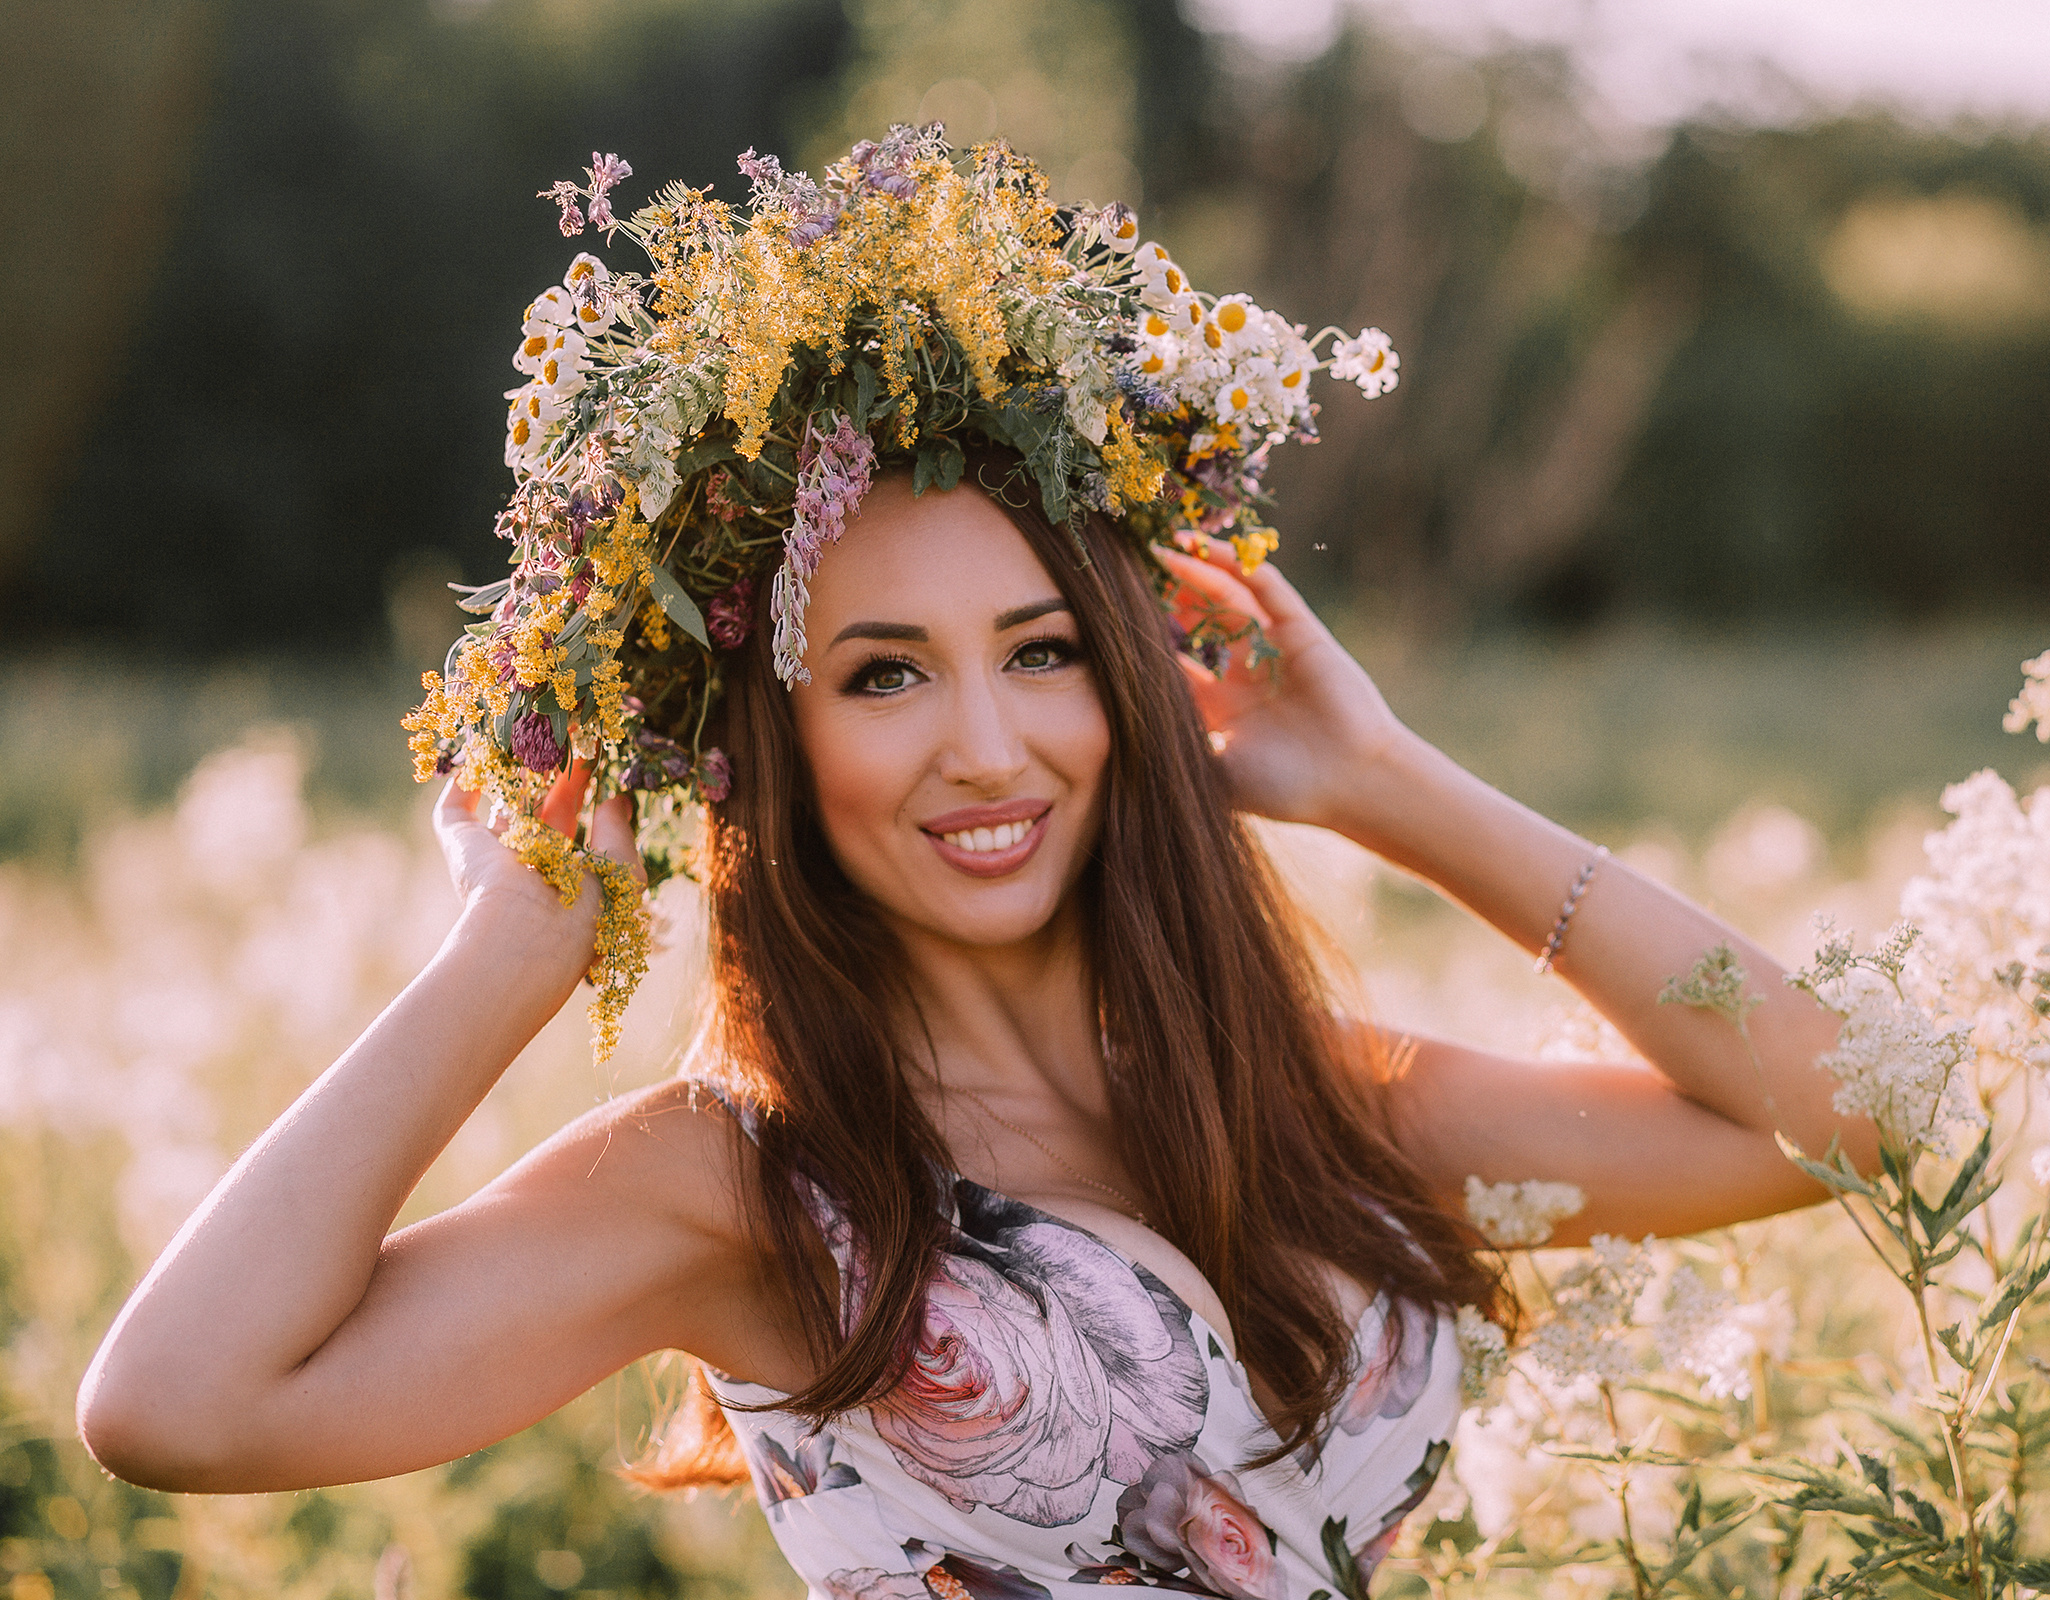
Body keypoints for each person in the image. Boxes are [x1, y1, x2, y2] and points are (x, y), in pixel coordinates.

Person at [76, 130, 1875, 1600]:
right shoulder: (741, 1194)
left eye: (1041, 651)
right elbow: (175, 1407)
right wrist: (505, 960)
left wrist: (1389, 784)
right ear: (763, 743)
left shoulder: (1314, 1105)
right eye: (881, 676)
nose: (988, 748)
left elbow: (1868, 1123)